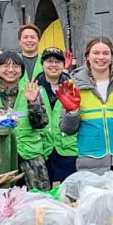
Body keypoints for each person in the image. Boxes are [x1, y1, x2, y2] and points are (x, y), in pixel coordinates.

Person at [57, 36, 113, 175]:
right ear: (87, 56)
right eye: (96, 53)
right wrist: (73, 113)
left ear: (111, 56)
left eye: (106, 53)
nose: (101, 57)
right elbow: (67, 130)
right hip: (91, 164)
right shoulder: (73, 86)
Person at [0, 51, 49, 190]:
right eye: (6, 66)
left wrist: (33, 103)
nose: (11, 70)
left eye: (16, 66)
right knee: (0, 200)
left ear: (22, 70)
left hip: (30, 154)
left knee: (38, 199)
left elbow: (40, 123)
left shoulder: (31, 91)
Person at [35, 48, 76, 184]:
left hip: (68, 149)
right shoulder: (34, 87)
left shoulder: (73, 87)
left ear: (64, 65)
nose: (53, 65)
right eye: (49, 61)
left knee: (70, 194)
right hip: (43, 149)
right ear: (42, 64)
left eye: (58, 61)